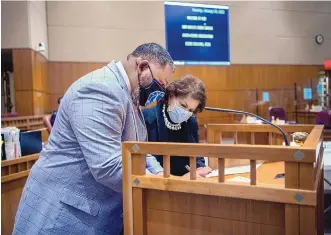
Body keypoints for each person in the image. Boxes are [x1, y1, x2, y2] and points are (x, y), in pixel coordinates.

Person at [13, 43, 175, 235]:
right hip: (63, 214)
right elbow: (107, 166)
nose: (158, 94)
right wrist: (161, 186)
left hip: (94, 213)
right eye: (159, 85)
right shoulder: (100, 88)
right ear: (142, 66)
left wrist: (165, 177)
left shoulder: (130, 94)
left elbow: (140, 151)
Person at [142, 75, 209, 176]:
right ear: (171, 96)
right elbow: (143, 157)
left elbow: (196, 150)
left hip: (186, 179)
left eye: (191, 110)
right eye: (183, 105)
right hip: (157, 179)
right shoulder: (147, 117)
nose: (185, 112)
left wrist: (199, 168)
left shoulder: (191, 121)